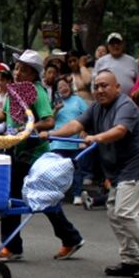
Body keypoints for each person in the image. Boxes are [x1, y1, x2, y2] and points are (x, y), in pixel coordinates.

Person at [43, 69, 139, 278]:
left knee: (126, 212)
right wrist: (50, 134)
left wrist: (96, 137)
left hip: (136, 169)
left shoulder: (125, 105)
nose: (100, 90)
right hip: (118, 171)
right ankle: (131, 259)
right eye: (97, 86)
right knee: (114, 213)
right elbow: (75, 125)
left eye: (105, 86)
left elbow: (120, 130)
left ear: (117, 87)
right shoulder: (96, 108)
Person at [0, 50, 84, 261]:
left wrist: (28, 127)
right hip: (14, 151)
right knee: (25, 197)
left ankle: (13, 246)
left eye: (24, 70)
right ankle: (68, 238)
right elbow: (5, 114)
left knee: (20, 197)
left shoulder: (37, 92)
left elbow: (48, 120)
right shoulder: (13, 91)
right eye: (17, 68)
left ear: (34, 75)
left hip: (34, 153)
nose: (18, 73)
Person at [49, 77, 89, 205]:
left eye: (64, 85)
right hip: (58, 141)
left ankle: (77, 194)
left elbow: (88, 116)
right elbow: (48, 121)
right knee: (57, 169)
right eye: (59, 87)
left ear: (69, 86)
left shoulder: (78, 101)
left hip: (74, 141)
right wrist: (56, 110)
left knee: (77, 168)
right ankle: (56, 195)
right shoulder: (55, 103)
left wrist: (84, 129)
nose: (63, 88)